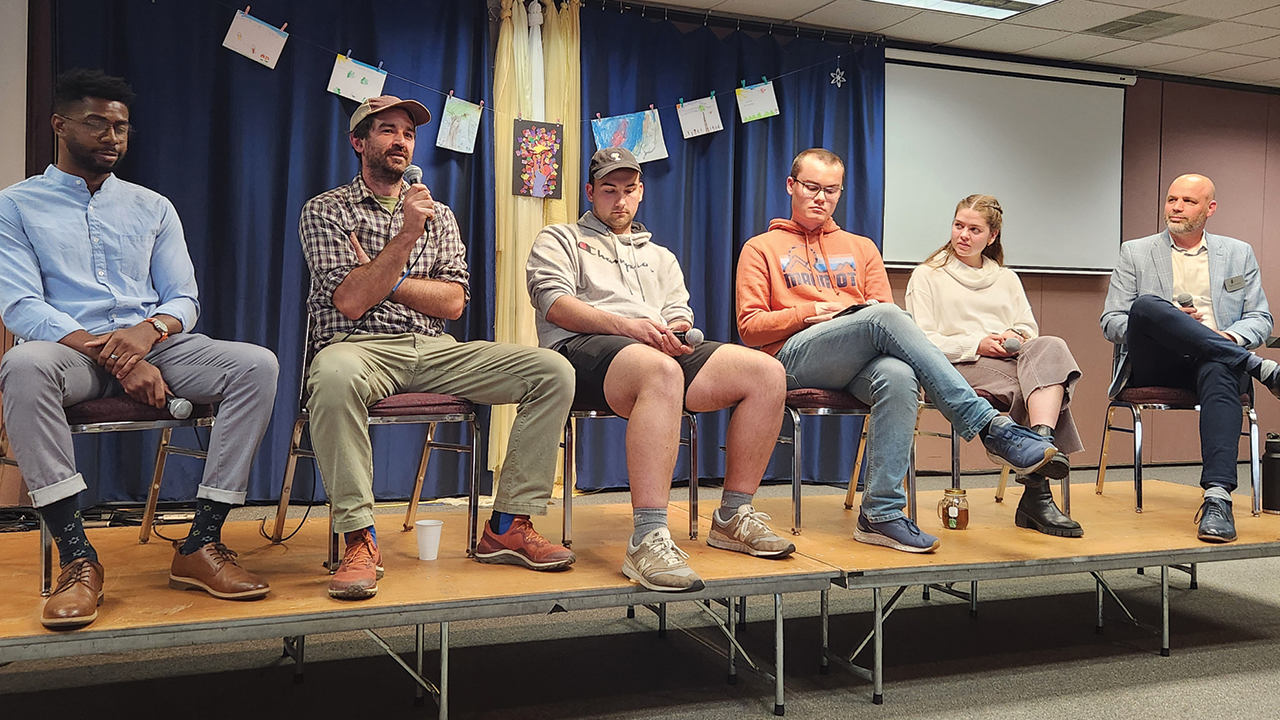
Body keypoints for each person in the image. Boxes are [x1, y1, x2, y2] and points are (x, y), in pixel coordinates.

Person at [0, 70, 280, 629]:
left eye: (121, 127)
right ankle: (78, 559)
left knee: (256, 365)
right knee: (22, 364)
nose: (112, 137)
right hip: (69, 352)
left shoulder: (152, 206)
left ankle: (200, 544)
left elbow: (183, 298)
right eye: (97, 123)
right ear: (59, 125)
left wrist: (146, 337)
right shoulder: (16, 205)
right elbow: (21, 305)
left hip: (153, 344)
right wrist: (113, 354)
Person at [299, 95, 576, 600]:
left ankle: (508, 525)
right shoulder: (326, 210)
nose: (400, 140)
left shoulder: (440, 215)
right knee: (331, 375)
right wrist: (405, 238)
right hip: (359, 348)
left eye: (407, 132)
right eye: (386, 130)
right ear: (359, 143)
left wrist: (386, 273)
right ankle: (359, 537)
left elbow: (451, 303)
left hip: (434, 349)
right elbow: (353, 301)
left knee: (552, 370)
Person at [736, 148, 1061, 555]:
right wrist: (812, 312)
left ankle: (880, 514)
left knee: (899, 374)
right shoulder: (760, 247)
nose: (821, 197)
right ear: (791, 186)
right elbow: (749, 328)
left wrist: (852, 318)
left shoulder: (862, 247)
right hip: (792, 359)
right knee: (885, 316)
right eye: (812, 187)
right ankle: (990, 427)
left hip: (855, 360)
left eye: (831, 190)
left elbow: (883, 324)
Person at [526, 147, 794, 594]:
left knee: (766, 372)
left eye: (630, 190)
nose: (621, 201)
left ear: (642, 192)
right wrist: (629, 327)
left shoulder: (661, 256)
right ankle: (647, 537)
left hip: (653, 349)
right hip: (582, 350)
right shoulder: (560, 238)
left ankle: (732, 516)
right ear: (591, 192)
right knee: (661, 372)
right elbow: (554, 303)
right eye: (609, 190)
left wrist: (675, 331)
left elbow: (678, 311)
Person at [1101, 173, 1279, 544]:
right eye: (1171, 199)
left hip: (1216, 362)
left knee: (1218, 366)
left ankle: (1217, 498)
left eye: (1188, 201)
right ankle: (1259, 367)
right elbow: (1112, 322)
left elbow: (1261, 319)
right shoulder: (1135, 251)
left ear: (1210, 209)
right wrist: (1170, 324)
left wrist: (1225, 337)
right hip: (1157, 361)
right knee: (1147, 306)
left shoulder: (1237, 252)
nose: (1176, 207)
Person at [906, 195, 1083, 538]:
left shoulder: (1006, 278)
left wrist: (1011, 335)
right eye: (959, 226)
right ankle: (1038, 492)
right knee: (1038, 388)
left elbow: (1028, 328)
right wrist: (977, 344)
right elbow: (920, 340)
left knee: (1052, 346)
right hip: (956, 365)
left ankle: (1038, 447)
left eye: (974, 229)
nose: (963, 235)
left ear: (992, 235)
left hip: (1009, 360)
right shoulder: (928, 275)